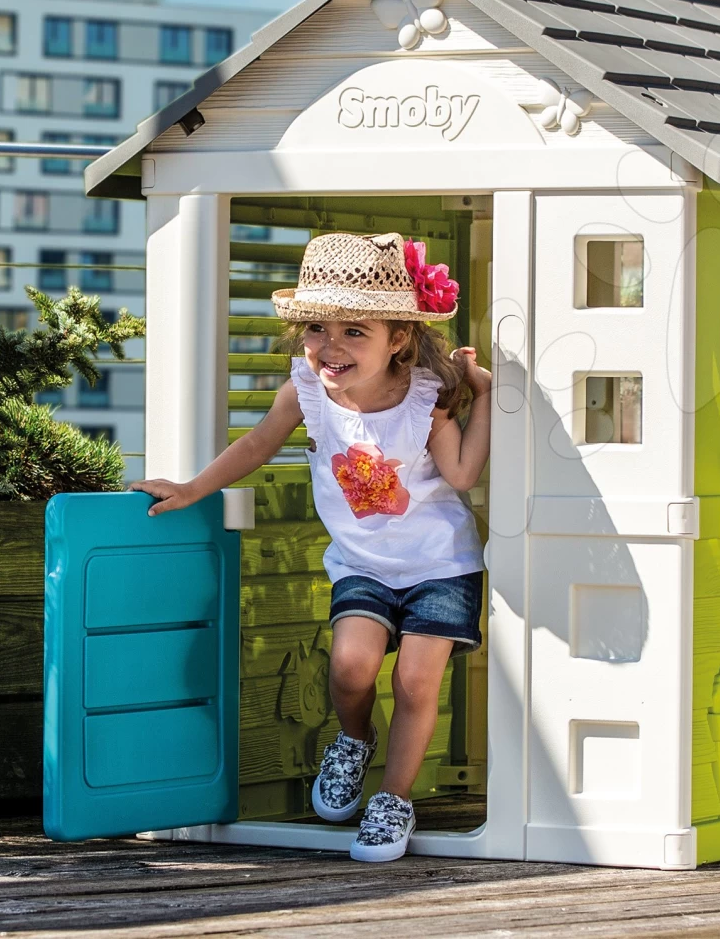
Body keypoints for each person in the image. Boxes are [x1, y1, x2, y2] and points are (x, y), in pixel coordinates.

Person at [130, 231, 490, 862]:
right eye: (317, 328)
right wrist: (192, 489)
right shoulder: (305, 391)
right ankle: (354, 741)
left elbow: (460, 476)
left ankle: (394, 801)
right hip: (362, 564)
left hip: (441, 564)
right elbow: (255, 446)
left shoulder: (425, 399)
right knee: (349, 669)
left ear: (398, 338)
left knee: (413, 681)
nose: (331, 346)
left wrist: (484, 396)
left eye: (355, 331)